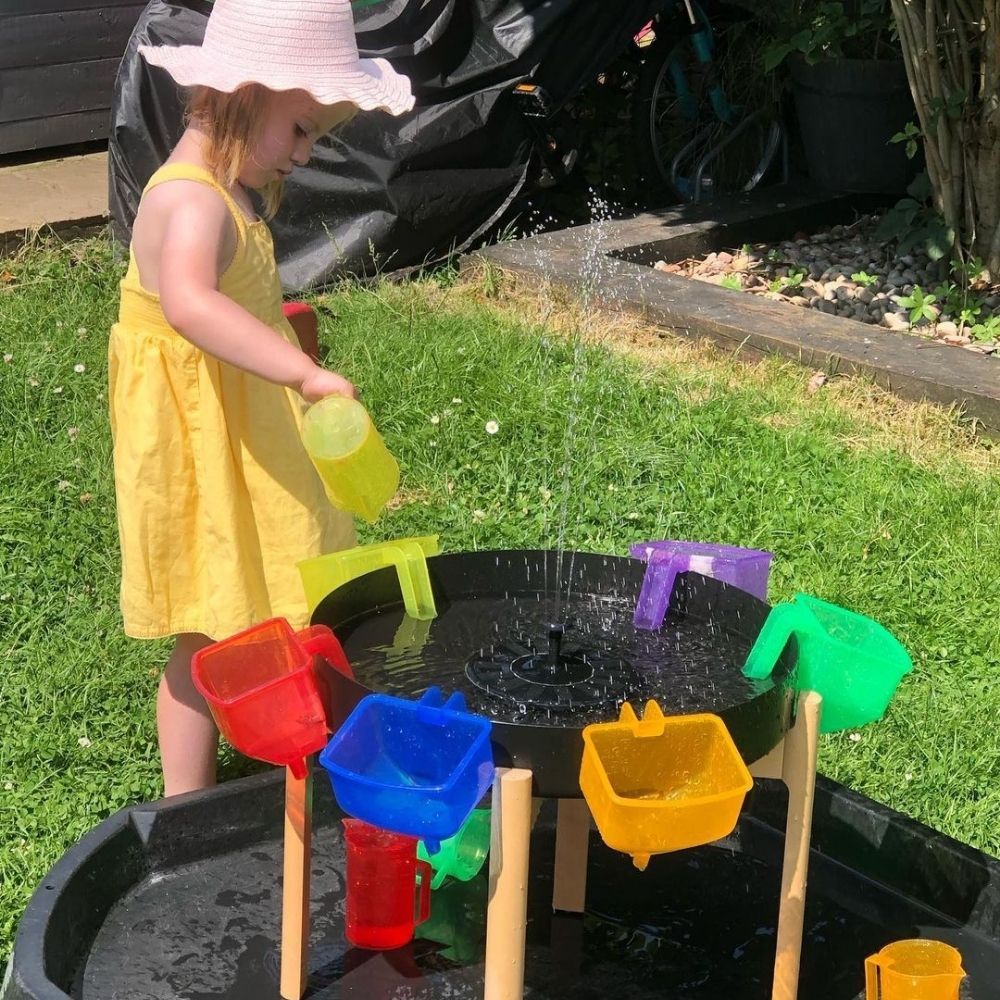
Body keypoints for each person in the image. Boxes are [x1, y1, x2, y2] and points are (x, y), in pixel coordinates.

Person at [109, 0, 414, 797]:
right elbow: (188, 303)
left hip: (237, 430)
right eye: (303, 129)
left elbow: (230, 308)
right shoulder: (191, 200)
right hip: (202, 453)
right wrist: (302, 373)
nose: (307, 153)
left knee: (264, 596)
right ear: (246, 95)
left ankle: (301, 753)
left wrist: (285, 343)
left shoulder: (227, 191)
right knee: (206, 631)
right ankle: (188, 806)